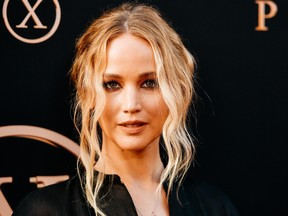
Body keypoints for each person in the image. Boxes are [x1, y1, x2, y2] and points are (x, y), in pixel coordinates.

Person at [12, 2, 239, 216]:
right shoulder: (46, 210)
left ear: (177, 91)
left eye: (149, 83)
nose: (131, 105)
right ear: (87, 94)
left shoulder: (213, 206)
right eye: (112, 85)